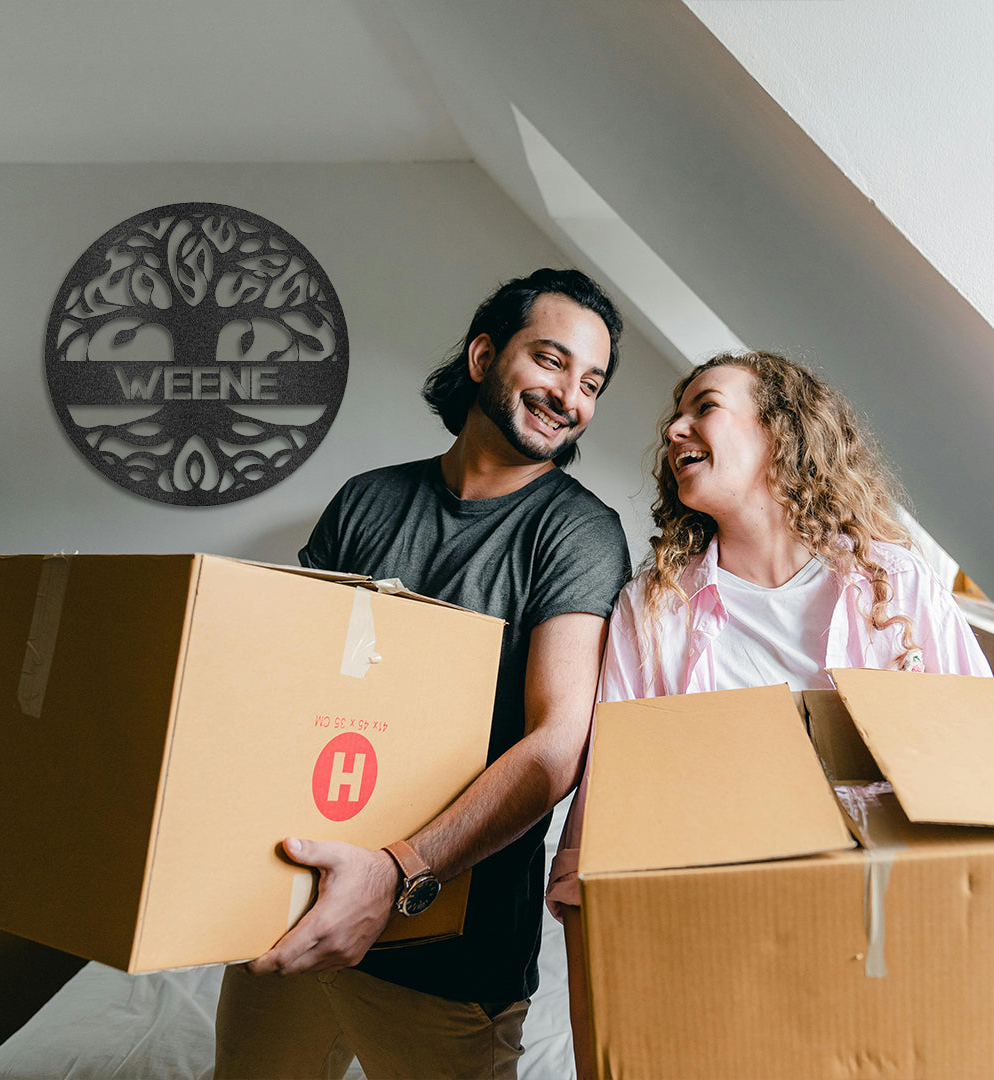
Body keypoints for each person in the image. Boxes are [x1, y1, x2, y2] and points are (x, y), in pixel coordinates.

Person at [214, 268, 633, 1080]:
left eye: (591, 382)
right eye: (550, 361)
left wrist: (398, 870)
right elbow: (290, 695)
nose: (569, 396)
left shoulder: (578, 533)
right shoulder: (365, 502)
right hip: (294, 909)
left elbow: (557, 747)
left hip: (451, 955)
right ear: (484, 356)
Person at [546, 350, 992, 1080]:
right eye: (676, 414)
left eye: (705, 406)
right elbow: (602, 832)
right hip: (722, 953)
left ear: (780, 431)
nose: (675, 429)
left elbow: (985, 777)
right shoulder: (655, 611)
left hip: (892, 949)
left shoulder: (898, 586)